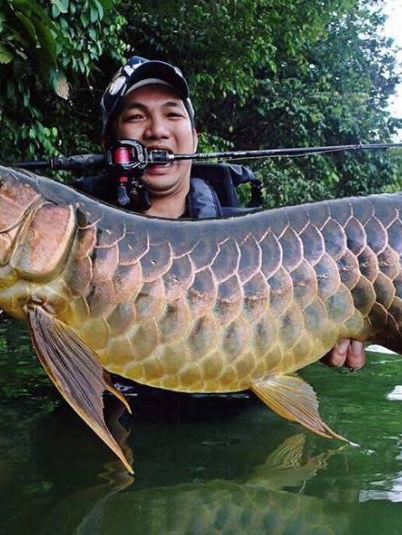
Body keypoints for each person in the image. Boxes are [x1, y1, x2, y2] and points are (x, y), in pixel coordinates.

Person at [76, 56, 365, 370]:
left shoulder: (261, 244)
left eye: (172, 113)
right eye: (136, 117)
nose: (157, 130)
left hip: (238, 409)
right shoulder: (79, 242)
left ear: (195, 136)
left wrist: (314, 331)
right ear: (109, 143)